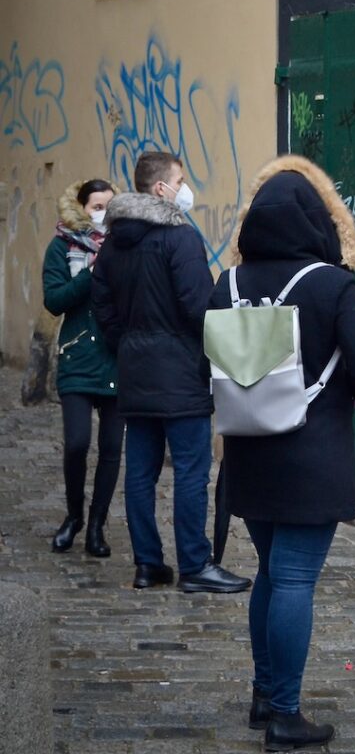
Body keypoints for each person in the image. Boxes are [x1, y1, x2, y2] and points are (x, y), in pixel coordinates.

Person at [209, 155, 355, 751]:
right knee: (292, 579)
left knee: (270, 570)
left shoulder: (227, 282)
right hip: (311, 454)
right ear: (317, 220)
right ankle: (285, 715)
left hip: (247, 450)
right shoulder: (329, 283)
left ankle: (264, 694)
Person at [91, 151, 250, 594]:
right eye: (179, 179)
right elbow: (199, 306)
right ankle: (195, 565)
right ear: (160, 188)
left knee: (140, 471)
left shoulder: (114, 242)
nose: (185, 187)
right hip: (180, 371)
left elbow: (101, 305)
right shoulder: (179, 238)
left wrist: (125, 343)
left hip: (135, 370)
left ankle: (148, 563)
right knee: (190, 470)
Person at [42, 178, 124, 557]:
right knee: (77, 443)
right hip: (77, 357)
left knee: (111, 448)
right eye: (96, 206)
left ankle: (96, 526)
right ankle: (73, 515)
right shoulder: (61, 248)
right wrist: (91, 274)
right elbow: (54, 300)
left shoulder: (125, 248)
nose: (103, 212)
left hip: (116, 359)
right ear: (81, 208)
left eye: (109, 205)